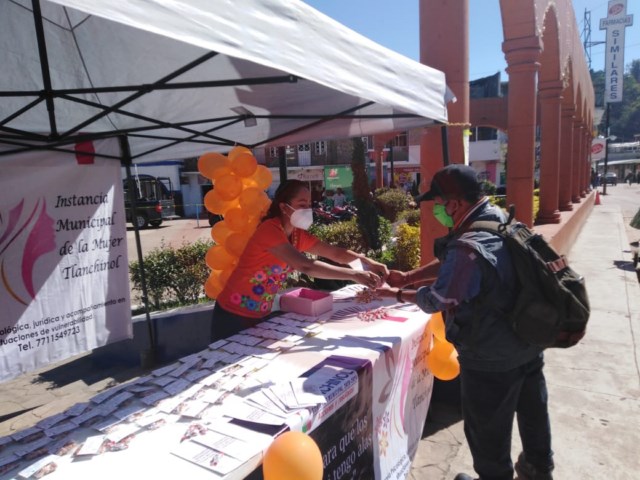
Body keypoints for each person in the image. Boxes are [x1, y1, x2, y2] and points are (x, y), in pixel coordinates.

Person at [375, 164, 554, 480]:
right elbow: (454, 264)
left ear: (454, 204)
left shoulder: (468, 245)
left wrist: (397, 293)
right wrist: (411, 276)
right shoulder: (498, 218)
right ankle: (538, 469)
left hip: (490, 358)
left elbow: (439, 299)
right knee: (533, 412)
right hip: (527, 340)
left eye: (438, 204)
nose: (437, 211)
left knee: (488, 430)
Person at [212, 179, 388, 340]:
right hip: (232, 314)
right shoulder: (269, 230)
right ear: (284, 207)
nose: (307, 209)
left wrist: (368, 263)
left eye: (309, 204)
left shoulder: (297, 235)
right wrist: (354, 274)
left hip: (260, 313)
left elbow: (335, 253)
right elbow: (306, 266)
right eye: (302, 204)